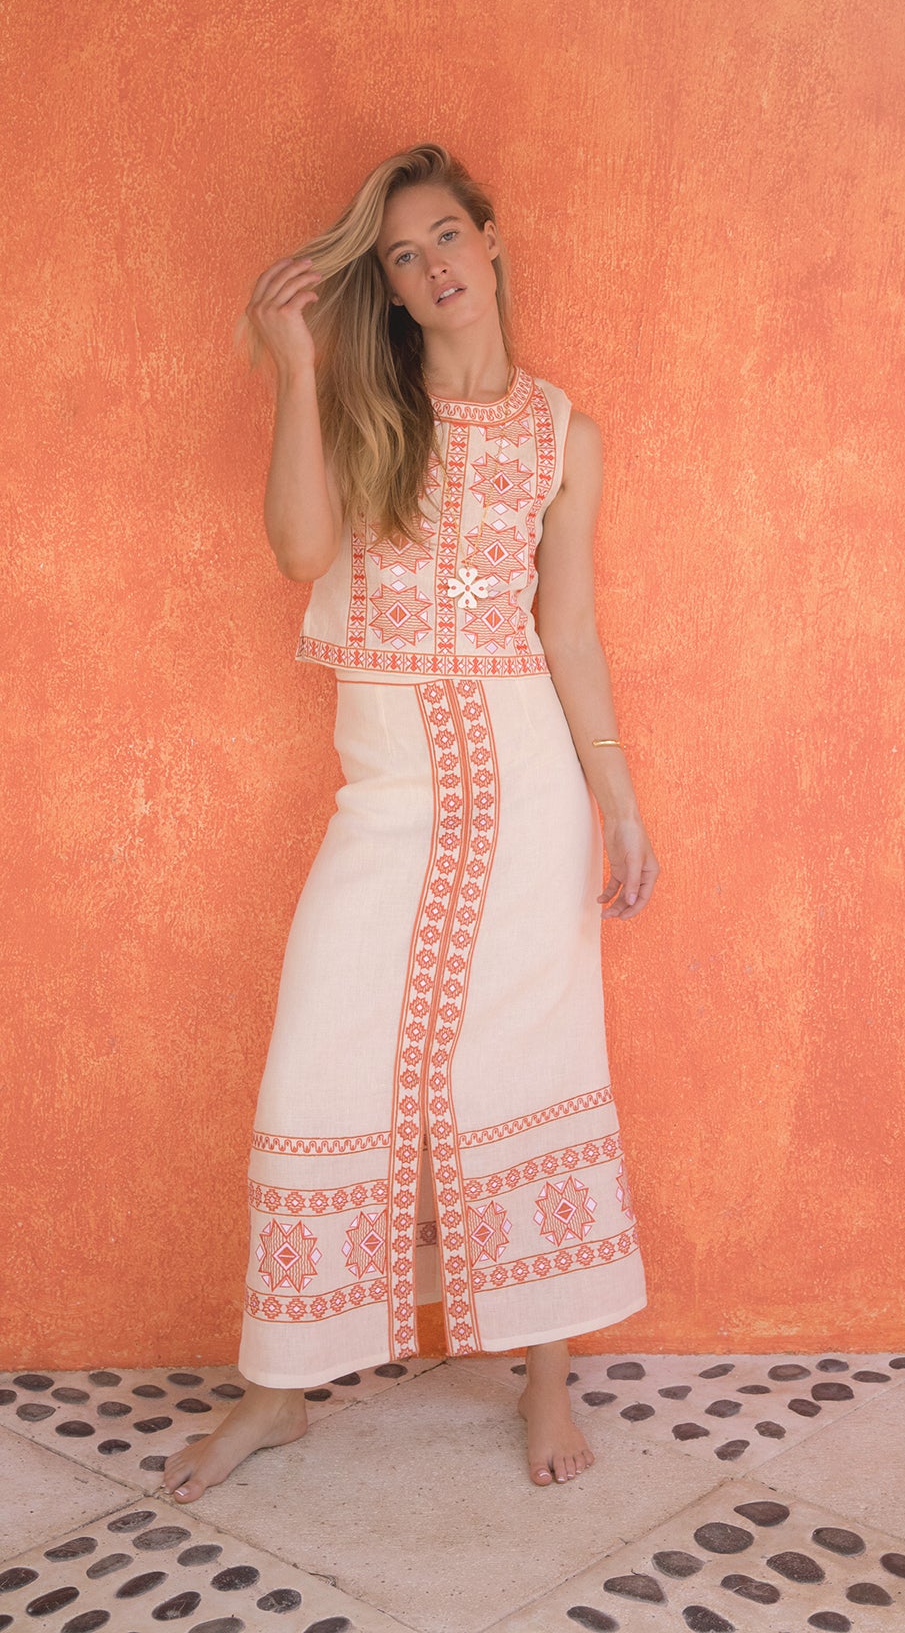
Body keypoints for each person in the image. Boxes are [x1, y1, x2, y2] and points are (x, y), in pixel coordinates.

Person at [163, 143, 658, 1503]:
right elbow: (299, 553)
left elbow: (568, 628)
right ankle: (279, 1394)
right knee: (315, 1061)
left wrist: (618, 804)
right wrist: (294, 367)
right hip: (387, 799)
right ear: (384, 287)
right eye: (402, 254)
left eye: (448, 235)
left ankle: (546, 1376)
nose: (434, 266)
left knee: (530, 1063)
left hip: (529, 792)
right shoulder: (370, 416)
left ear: (490, 242)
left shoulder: (566, 435)